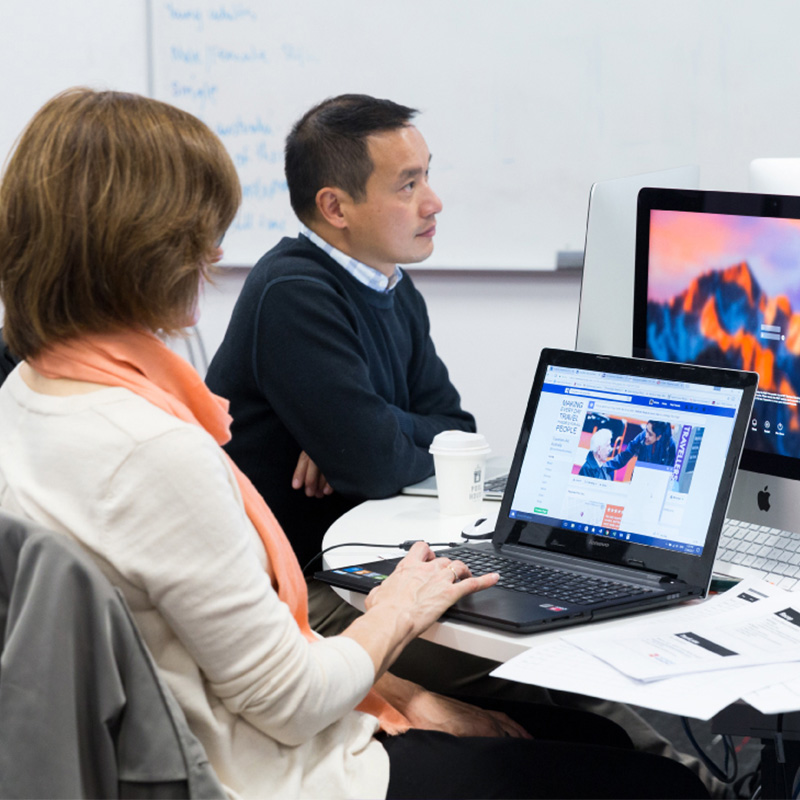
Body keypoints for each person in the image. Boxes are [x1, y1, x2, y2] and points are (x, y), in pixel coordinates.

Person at [0, 87, 708, 799]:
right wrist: (398, 611)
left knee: (589, 733)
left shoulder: (28, 394)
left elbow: (447, 430)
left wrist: (370, 426)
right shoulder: (155, 448)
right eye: (196, 236)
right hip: (273, 769)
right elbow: (292, 698)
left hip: (214, 719)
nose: (213, 254)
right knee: (643, 775)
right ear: (138, 252)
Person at [205, 94, 475, 576]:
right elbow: (376, 467)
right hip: (290, 585)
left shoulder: (395, 287)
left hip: (363, 560)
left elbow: (459, 433)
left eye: (427, 176)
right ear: (335, 208)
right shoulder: (294, 292)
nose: (433, 203)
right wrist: (362, 442)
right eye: (408, 185)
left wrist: (369, 428)